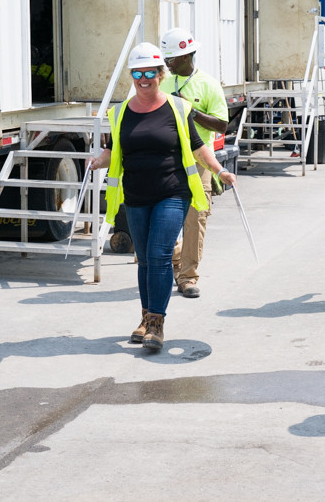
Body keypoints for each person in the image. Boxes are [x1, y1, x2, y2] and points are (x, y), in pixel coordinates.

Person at [88, 42, 235, 351]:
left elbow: (198, 145)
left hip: (173, 192)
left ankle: (157, 322)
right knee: (144, 260)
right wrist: (97, 161)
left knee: (158, 255)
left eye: (150, 73)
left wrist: (219, 170)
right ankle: (144, 318)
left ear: (160, 74)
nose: (144, 79)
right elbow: (113, 151)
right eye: (138, 73)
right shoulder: (119, 114)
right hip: (136, 195)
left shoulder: (177, 107)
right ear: (132, 75)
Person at [159, 28, 229, 299]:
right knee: (162, 217)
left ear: (188, 55)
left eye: (172, 59)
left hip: (198, 161)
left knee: (195, 217)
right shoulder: (161, 82)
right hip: (166, 160)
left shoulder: (208, 84)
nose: (168, 64)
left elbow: (222, 124)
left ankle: (188, 277)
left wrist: (191, 111)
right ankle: (177, 261)